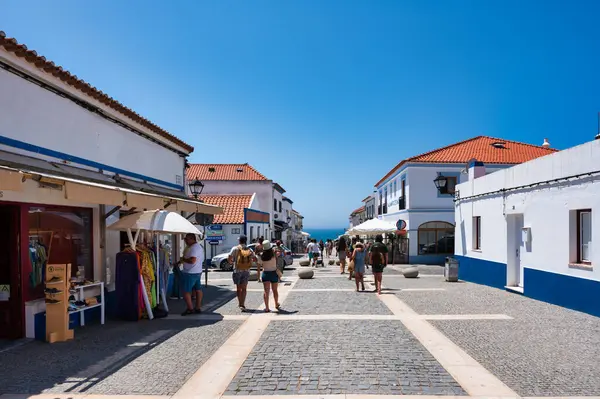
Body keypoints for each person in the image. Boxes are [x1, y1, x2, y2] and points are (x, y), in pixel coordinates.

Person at [178, 233, 204, 315]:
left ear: (191, 239)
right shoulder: (198, 247)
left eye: (186, 239)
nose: (185, 241)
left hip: (190, 272)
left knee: (186, 291)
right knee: (198, 289)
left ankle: (190, 308)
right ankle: (198, 307)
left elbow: (192, 260)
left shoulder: (193, 248)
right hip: (197, 271)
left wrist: (183, 259)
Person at [228, 235, 256, 311]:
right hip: (246, 270)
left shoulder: (235, 248)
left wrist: (231, 263)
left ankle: (240, 303)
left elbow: (229, 257)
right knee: (244, 288)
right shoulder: (249, 249)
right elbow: (254, 258)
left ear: (239, 241)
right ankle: (243, 304)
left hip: (237, 270)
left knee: (238, 288)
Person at [258, 240, 281, 312]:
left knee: (266, 291)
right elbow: (279, 253)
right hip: (273, 273)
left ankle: (267, 308)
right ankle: (276, 304)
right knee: (275, 290)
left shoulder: (261, 256)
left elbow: (260, 263)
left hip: (265, 274)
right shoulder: (274, 254)